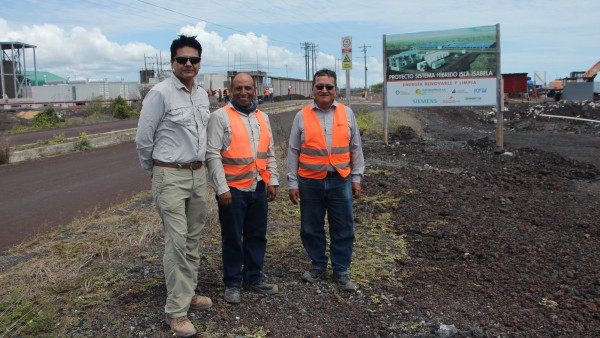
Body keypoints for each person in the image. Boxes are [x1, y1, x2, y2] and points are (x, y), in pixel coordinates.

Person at [135, 35, 212, 337]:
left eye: (194, 59)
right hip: (170, 175)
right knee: (177, 241)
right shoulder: (160, 93)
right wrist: (154, 171)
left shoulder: (202, 95)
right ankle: (176, 311)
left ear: (199, 63)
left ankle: (188, 292)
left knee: (193, 239)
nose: (189, 64)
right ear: (172, 63)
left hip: (197, 174)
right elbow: (144, 138)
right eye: (183, 59)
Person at [286, 69, 365, 292]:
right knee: (311, 227)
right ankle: (318, 265)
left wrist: (356, 178)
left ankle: (341, 270)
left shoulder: (347, 113)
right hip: (309, 182)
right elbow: (293, 151)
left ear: (335, 90)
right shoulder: (301, 115)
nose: (324, 90)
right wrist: (292, 183)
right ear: (313, 89)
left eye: (328, 87)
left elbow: (355, 148)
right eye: (319, 86)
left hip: (340, 180)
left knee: (343, 227)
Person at [206, 72, 280, 304]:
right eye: (238, 88)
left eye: (248, 88)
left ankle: (254, 277)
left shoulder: (262, 117)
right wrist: (221, 188)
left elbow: (269, 151)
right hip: (232, 190)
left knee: (257, 235)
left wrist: (272, 180)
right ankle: (233, 282)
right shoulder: (220, 117)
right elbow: (212, 154)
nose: (244, 92)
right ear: (230, 91)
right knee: (232, 237)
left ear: (254, 90)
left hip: (258, 186)